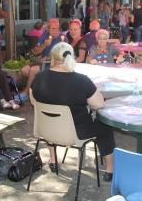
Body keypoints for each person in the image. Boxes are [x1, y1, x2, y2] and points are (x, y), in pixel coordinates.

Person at [30, 42, 116, 181]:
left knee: (50, 117)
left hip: (46, 130)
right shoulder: (81, 80)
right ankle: (110, 170)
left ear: (53, 57)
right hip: (76, 133)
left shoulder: (40, 77)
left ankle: (53, 160)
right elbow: (99, 104)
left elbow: (34, 101)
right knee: (104, 125)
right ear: (71, 57)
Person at [20, 18, 67, 99]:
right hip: (42, 62)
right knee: (24, 70)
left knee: (34, 70)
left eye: (57, 28)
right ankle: (36, 90)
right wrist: (44, 45)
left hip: (54, 64)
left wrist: (48, 58)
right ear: (48, 29)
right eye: (53, 28)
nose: (56, 31)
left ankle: (26, 92)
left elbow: (64, 55)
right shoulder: (44, 36)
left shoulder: (63, 38)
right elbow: (35, 52)